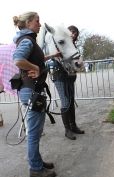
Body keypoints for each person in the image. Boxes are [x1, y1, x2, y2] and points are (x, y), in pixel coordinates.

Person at [12, 11, 56, 177]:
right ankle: (36, 169)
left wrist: (50, 57)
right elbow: (18, 59)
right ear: (29, 22)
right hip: (31, 91)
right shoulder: (27, 40)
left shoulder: (29, 40)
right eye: (37, 21)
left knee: (35, 132)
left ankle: (37, 162)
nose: (39, 24)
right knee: (33, 134)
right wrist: (36, 68)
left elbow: (34, 59)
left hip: (32, 91)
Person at [50, 25, 85, 140]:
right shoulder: (59, 43)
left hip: (70, 76)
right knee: (65, 102)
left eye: (75, 33)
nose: (73, 34)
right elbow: (56, 58)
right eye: (72, 32)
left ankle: (73, 126)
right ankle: (67, 130)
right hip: (59, 75)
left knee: (70, 101)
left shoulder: (71, 46)